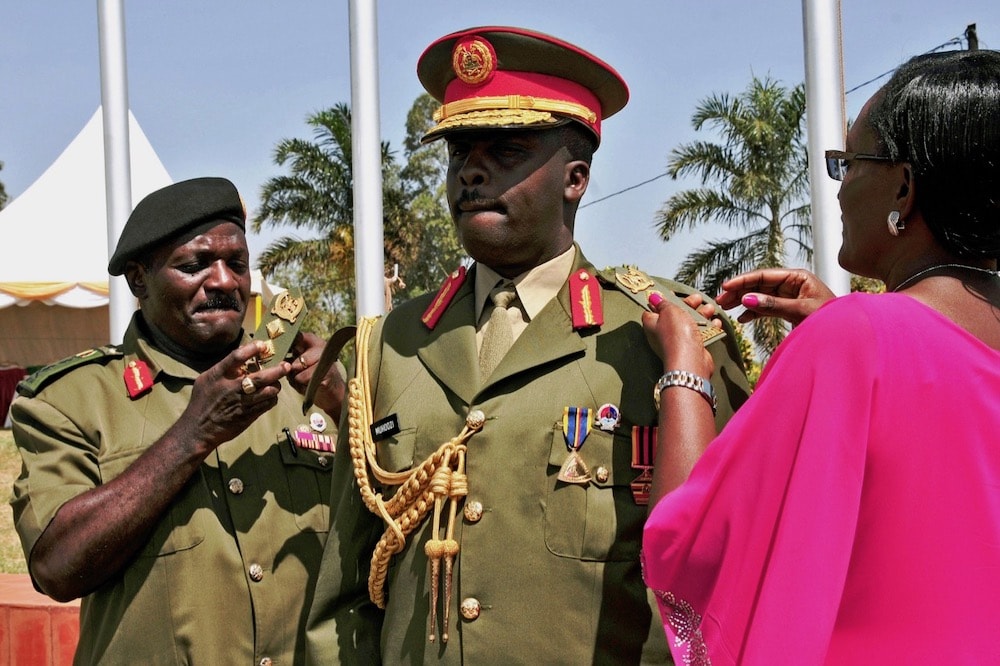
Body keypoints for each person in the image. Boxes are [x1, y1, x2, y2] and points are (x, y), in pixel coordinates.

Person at [305, 26, 751, 664]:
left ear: (575, 179)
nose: (471, 170)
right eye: (459, 152)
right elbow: (344, 602)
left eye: (505, 150)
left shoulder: (662, 336)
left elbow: (721, 577)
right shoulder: (389, 348)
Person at [640, 49, 1000, 664]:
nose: (839, 187)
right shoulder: (861, 336)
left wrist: (684, 368)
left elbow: (692, 551)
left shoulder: (852, 339)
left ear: (905, 187)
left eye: (850, 163)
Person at [9, 177, 345, 665]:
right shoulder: (69, 400)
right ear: (138, 280)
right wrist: (193, 433)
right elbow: (57, 567)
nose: (225, 282)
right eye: (194, 266)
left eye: (237, 264)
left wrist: (348, 408)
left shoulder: (308, 384)